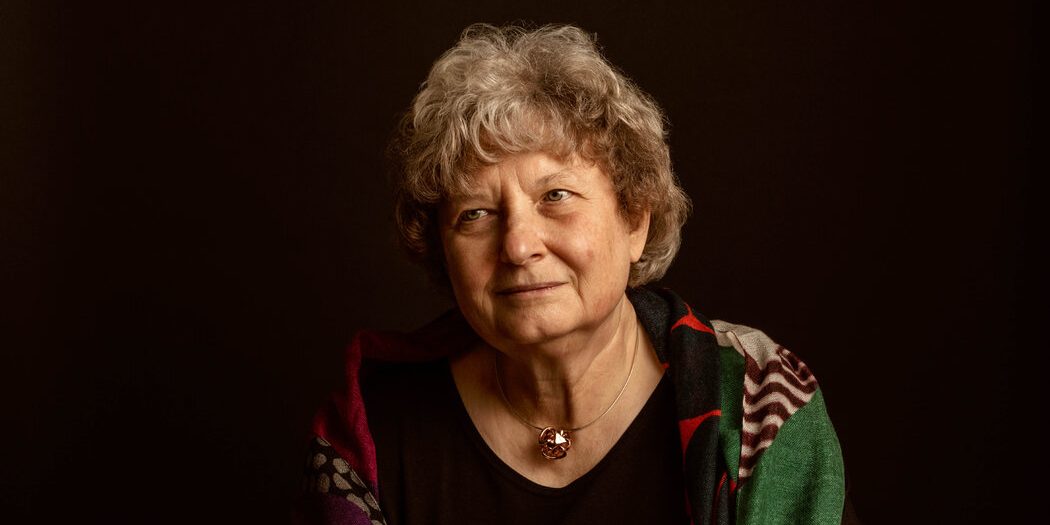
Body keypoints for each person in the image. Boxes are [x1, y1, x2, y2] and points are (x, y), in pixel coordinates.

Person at [295, 23, 847, 525]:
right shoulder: (371, 429)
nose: (518, 246)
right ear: (442, 250)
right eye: (476, 214)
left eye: (555, 196)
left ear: (635, 220)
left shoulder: (758, 404)